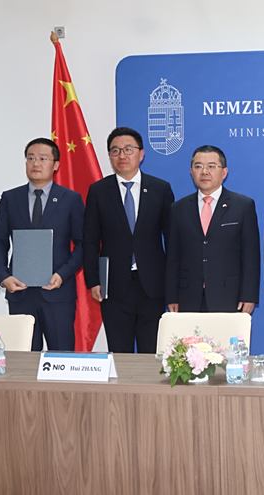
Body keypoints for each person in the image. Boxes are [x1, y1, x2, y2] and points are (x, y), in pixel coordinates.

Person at [83, 127, 174, 353]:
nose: (122, 155)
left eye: (128, 149)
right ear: (110, 156)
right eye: (115, 151)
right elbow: (90, 240)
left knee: (150, 352)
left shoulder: (160, 189)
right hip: (114, 286)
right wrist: (93, 280)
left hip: (152, 285)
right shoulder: (99, 191)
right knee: (119, 351)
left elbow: (172, 240)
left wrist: (172, 284)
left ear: (141, 154)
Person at [0, 138, 84, 351]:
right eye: (30, 158)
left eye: (42, 158)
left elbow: (83, 244)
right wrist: (4, 276)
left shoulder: (71, 199)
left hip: (58, 293)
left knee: (61, 357)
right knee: (24, 358)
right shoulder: (10, 198)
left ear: (56, 165)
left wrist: (63, 274)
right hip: (20, 292)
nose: (35, 163)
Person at [166, 145, 260, 313]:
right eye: (198, 166)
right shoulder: (178, 208)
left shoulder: (243, 206)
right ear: (191, 172)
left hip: (229, 296)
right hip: (188, 296)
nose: (204, 172)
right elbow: (173, 256)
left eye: (211, 166)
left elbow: (250, 256)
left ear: (224, 172)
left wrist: (249, 295)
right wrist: (172, 296)